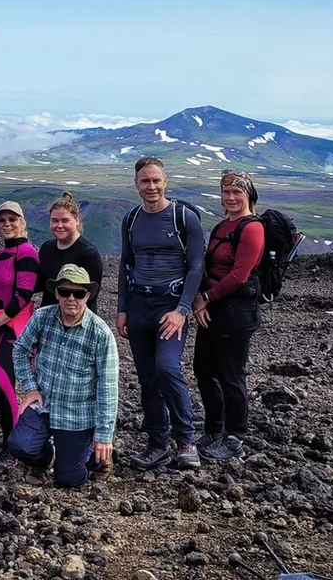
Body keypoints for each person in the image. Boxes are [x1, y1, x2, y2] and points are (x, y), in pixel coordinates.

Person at [117, 156, 204, 471]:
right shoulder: (131, 219)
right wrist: (122, 309)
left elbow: (196, 266)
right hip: (140, 305)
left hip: (170, 306)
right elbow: (126, 266)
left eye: (156, 180)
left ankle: (186, 440)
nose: (151, 186)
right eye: (145, 181)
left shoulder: (184, 217)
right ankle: (157, 444)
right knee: (147, 379)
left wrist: (182, 310)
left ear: (165, 182)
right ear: (136, 184)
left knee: (167, 369)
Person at [8, 265, 118, 488]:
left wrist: (104, 435)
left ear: (87, 296)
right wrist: (30, 387)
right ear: (56, 292)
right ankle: (44, 458)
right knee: (19, 446)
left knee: (69, 479)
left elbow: (108, 388)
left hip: (77, 415)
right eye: (65, 292)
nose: (71, 298)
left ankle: (99, 459)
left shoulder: (100, 334)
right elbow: (20, 349)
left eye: (78, 293)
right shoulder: (42, 317)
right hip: (44, 404)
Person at [192, 170, 265, 461]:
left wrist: (205, 297)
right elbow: (209, 265)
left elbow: (239, 275)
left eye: (237, 192)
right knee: (203, 369)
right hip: (212, 308)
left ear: (249, 195)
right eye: (226, 192)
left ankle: (235, 436)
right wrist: (203, 300)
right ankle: (214, 429)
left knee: (231, 374)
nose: (231, 197)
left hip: (236, 312)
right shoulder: (223, 226)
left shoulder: (252, 228)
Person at [0, 200, 40, 441]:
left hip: (11, 328)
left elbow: (23, 296)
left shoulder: (26, 253)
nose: (7, 224)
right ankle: (9, 440)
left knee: (3, 381)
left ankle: (13, 442)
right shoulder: (1, 253)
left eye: (12, 219)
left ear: (22, 223)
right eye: (2, 220)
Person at [36, 192, 104, 312]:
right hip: (47, 318)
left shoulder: (89, 254)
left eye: (65, 220)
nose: (59, 225)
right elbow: (39, 284)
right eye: (55, 221)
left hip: (76, 320)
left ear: (77, 220)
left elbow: (90, 296)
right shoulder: (46, 248)